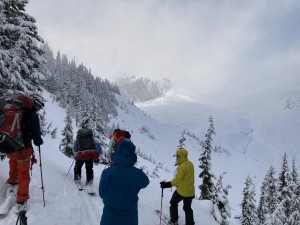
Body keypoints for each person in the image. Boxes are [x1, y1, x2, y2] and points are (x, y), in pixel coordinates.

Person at [6, 94, 44, 210]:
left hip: (11, 144)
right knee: (24, 175)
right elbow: (36, 135)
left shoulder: (18, 110)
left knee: (13, 162)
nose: (39, 109)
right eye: (39, 106)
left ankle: (12, 180)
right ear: (35, 103)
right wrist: (38, 141)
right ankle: (21, 200)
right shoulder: (32, 114)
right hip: (23, 148)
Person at [99, 139, 149, 225]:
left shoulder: (107, 172)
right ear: (132, 154)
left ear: (117, 153)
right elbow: (145, 182)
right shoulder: (137, 174)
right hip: (129, 219)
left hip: (108, 218)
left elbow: (101, 193)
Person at [160, 148, 195, 225]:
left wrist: (167, 184)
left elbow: (177, 180)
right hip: (190, 191)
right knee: (187, 208)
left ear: (182, 156)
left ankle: (174, 221)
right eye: (176, 155)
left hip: (182, 191)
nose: (176, 157)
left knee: (173, 202)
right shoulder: (190, 164)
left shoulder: (182, 167)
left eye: (178, 155)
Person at [72, 119, 98, 186]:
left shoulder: (79, 137)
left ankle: (77, 179)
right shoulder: (91, 137)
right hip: (89, 155)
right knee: (89, 168)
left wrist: (75, 154)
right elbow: (94, 146)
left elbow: (74, 147)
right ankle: (89, 181)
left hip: (81, 155)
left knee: (78, 167)